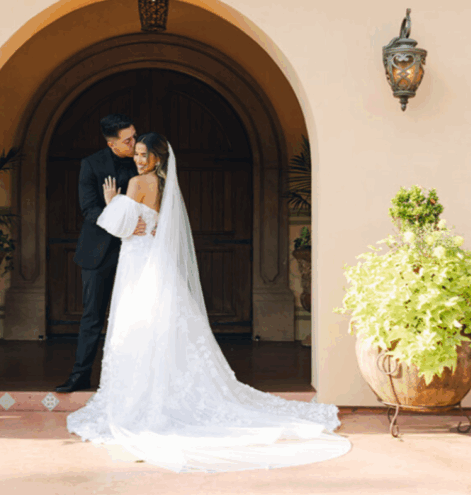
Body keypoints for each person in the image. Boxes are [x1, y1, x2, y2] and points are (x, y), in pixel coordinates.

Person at [65, 132, 352, 473]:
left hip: (138, 264)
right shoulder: (164, 185)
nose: (139, 160)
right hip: (155, 262)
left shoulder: (139, 183)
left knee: (137, 323)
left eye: (144, 155)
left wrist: (111, 200)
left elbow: (117, 227)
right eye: (137, 154)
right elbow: (150, 225)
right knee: (162, 322)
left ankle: (143, 399)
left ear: (157, 157)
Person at [55, 113, 153, 394]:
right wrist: (124, 221)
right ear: (112, 144)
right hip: (99, 251)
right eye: (128, 140)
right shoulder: (91, 164)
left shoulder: (145, 162)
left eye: (135, 135)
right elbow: (89, 209)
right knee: (92, 317)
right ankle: (79, 376)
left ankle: (136, 384)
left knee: (139, 316)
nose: (135, 142)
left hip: (137, 251)